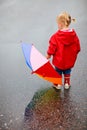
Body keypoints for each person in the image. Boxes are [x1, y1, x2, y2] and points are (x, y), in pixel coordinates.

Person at [46, 12, 81, 89]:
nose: (57, 25)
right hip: (69, 60)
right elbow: (78, 47)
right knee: (67, 71)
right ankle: (67, 84)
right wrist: (74, 53)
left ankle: (57, 84)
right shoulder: (73, 35)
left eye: (58, 23)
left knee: (58, 72)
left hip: (59, 60)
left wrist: (49, 54)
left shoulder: (56, 36)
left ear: (61, 24)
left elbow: (52, 47)